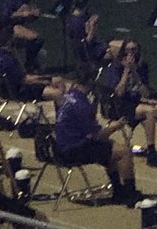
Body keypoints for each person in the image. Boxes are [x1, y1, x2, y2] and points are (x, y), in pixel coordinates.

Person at [55, 63, 141, 206]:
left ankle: (118, 191)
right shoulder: (81, 105)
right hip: (74, 151)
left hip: (61, 147)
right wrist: (117, 126)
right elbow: (97, 135)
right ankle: (130, 194)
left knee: (110, 146)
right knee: (124, 152)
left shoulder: (68, 97)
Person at [100, 40, 157, 166]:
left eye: (134, 50)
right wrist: (126, 71)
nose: (131, 53)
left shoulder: (142, 67)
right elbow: (118, 93)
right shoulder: (115, 67)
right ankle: (151, 153)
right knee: (149, 112)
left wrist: (135, 73)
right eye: (128, 50)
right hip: (118, 106)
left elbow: (146, 93)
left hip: (135, 103)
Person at [0, 36, 64, 103]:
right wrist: (47, 80)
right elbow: (25, 80)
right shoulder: (9, 60)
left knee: (57, 81)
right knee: (57, 93)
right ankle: (63, 117)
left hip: (3, 91)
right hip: (19, 92)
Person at [0, 0, 43, 71]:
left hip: (18, 26)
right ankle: (29, 64)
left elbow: (28, 19)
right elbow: (5, 16)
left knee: (38, 40)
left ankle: (30, 63)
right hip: (7, 27)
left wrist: (34, 15)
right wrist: (23, 14)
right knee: (34, 38)